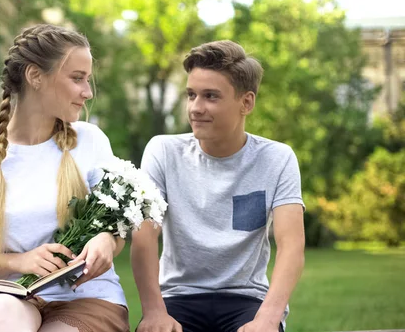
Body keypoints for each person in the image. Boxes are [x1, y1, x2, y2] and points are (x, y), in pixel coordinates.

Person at [0, 24, 129, 332]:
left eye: (87, 79)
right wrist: (20, 261)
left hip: (88, 299)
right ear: (35, 76)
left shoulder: (92, 141)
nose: (88, 91)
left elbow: (115, 224)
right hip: (13, 297)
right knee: (3, 319)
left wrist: (107, 240)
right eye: (77, 78)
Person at [131, 40, 306, 332]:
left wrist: (267, 318)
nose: (196, 108)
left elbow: (292, 245)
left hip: (246, 299)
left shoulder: (277, 158)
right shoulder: (162, 151)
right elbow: (144, 237)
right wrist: (153, 312)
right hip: (178, 297)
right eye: (191, 95)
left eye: (211, 96)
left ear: (246, 103)